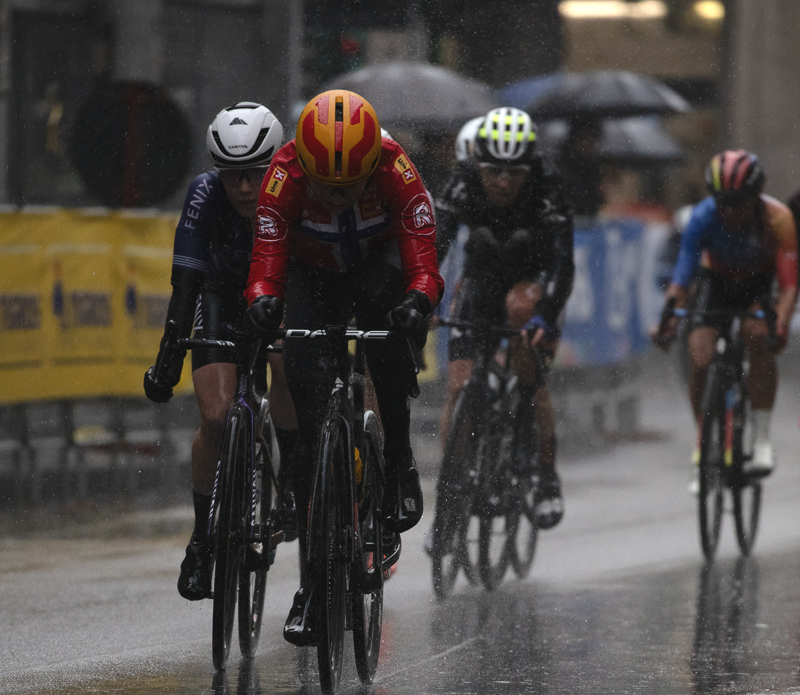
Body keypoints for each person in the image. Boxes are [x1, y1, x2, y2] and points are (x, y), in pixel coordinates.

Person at [244, 88, 444, 645]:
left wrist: (417, 302)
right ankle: (313, 586)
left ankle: (398, 460)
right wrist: (262, 299)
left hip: (379, 265)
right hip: (313, 274)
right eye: (326, 187)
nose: (336, 197)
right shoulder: (283, 176)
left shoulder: (396, 169)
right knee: (308, 423)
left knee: (387, 340)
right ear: (305, 167)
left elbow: (423, 261)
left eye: (350, 187)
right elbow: (266, 262)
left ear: (372, 166)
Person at [144, 101, 298, 601]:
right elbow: (185, 284)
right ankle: (201, 541)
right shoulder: (204, 194)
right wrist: (168, 358)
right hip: (219, 296)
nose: (246, 187)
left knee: (285, 366)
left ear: (274, 165)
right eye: (233, 175)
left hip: (280, 294)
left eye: (256, 173)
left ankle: (290, 483)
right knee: (215, 415)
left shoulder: (293, 192)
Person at [434, 106, 574, 528]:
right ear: (477, 163)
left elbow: (564, 263)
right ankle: (449, 495)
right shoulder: (462, 181)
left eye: (515, 172)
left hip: (531, 285)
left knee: (522, 323)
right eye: (493, 170)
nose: (503, 181)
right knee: (459, 386)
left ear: (531, 167)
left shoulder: (548, 186)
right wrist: (421, 298)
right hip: (480, 282)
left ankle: (546, 474)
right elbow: (434, 247)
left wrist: (546, 315)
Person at [655, 149, 796, 487]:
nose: (728, 210)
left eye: (736, 202)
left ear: (755, 195)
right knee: (700, 356)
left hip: (758, 283)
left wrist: (780, 324)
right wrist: (669, 317)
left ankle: (761, 438)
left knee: (757, 335)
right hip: (717, 282)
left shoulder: (778, 219)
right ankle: (703, 444)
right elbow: (681, 278)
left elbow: (790, 285)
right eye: (722, 202)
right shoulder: (703, 217)